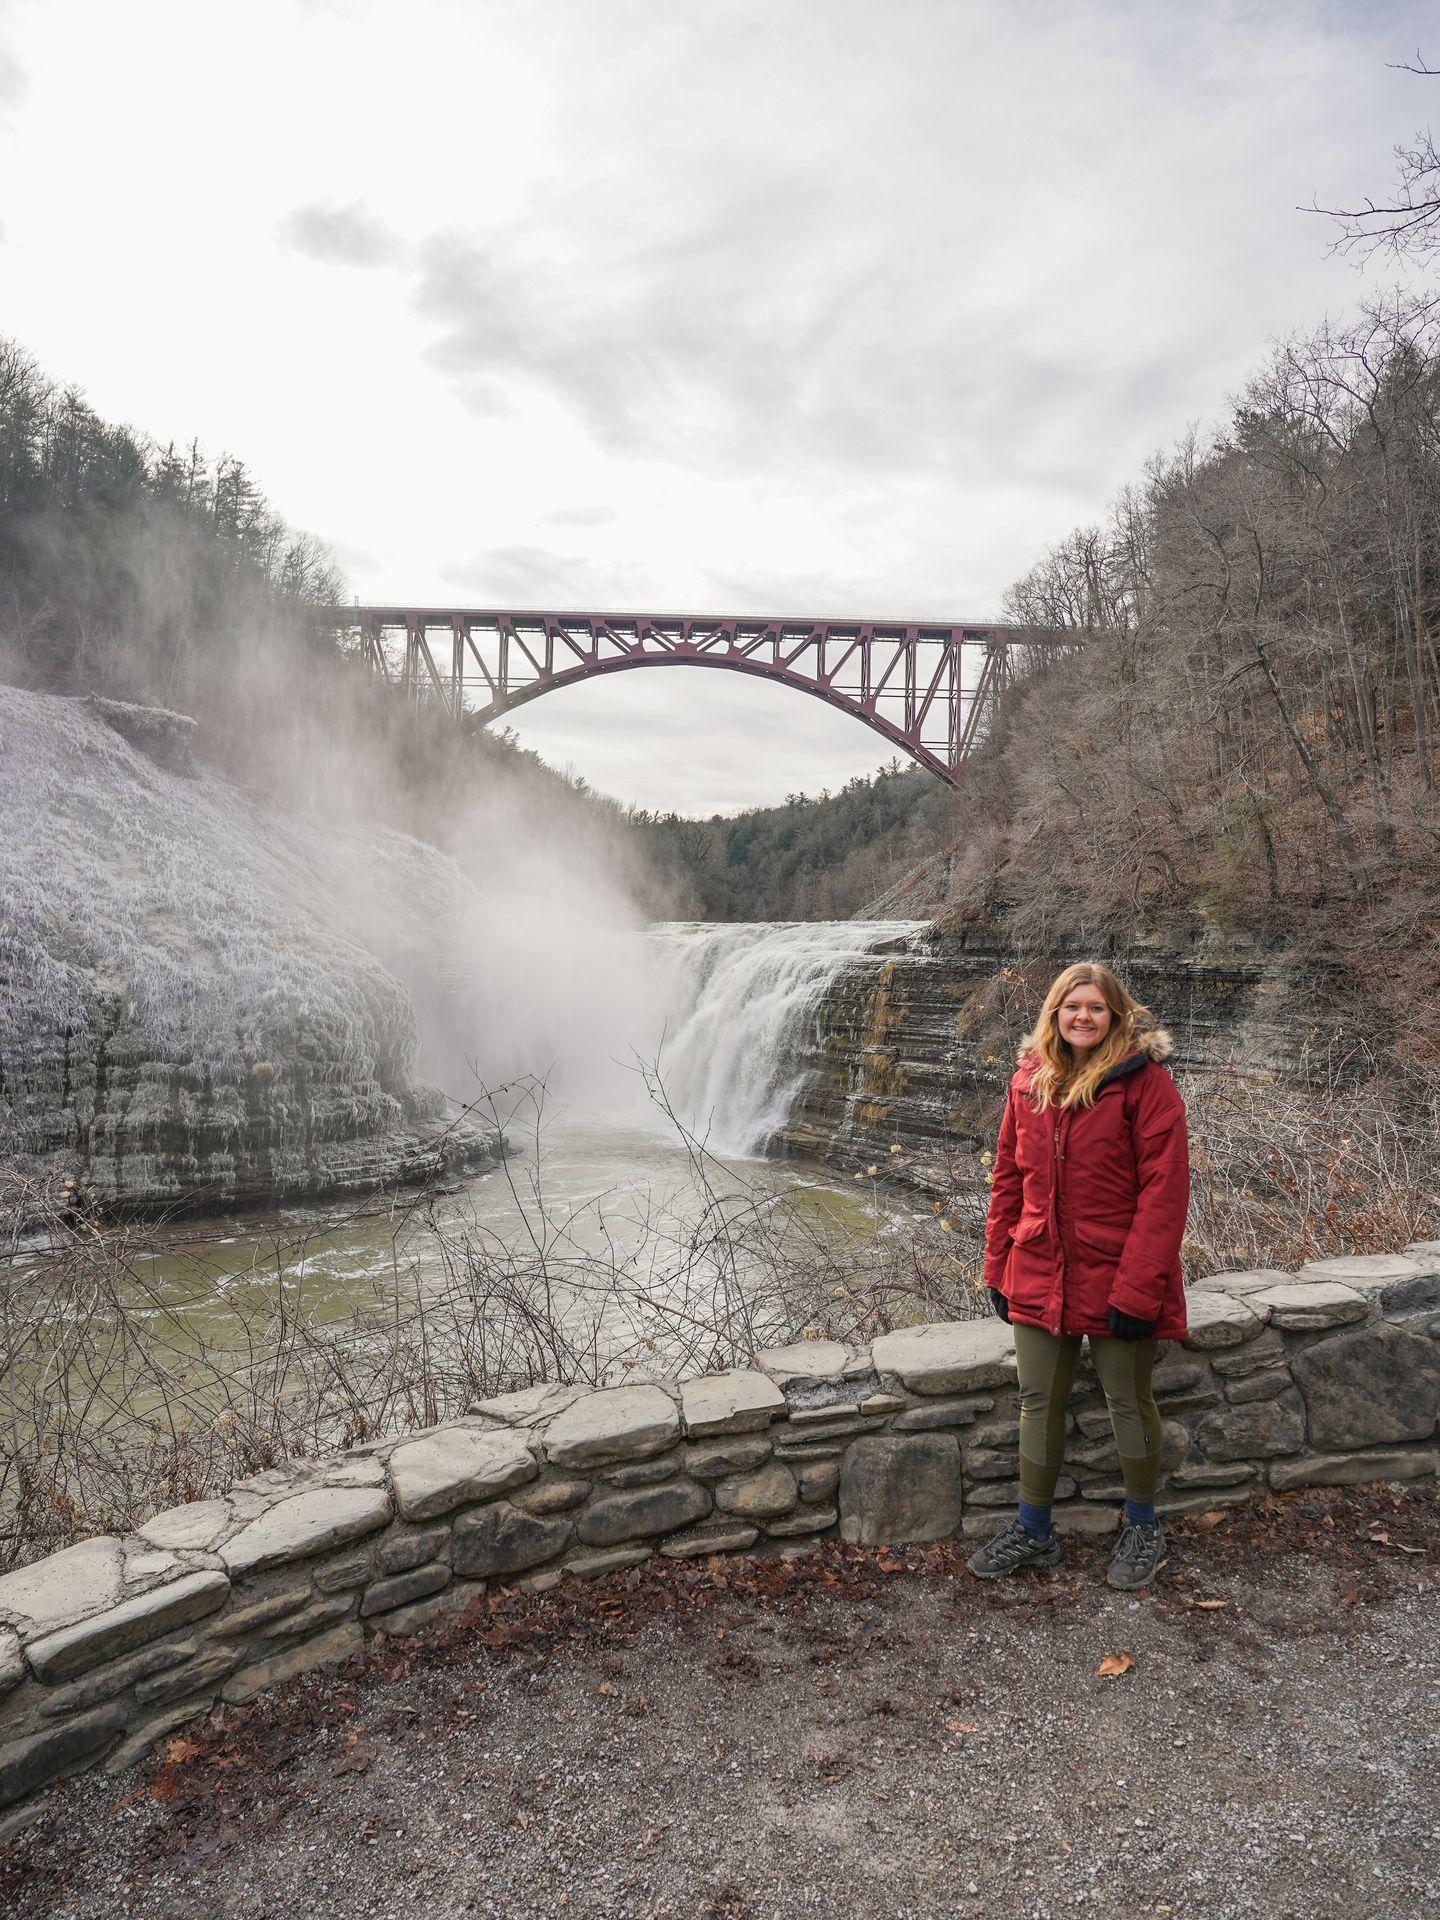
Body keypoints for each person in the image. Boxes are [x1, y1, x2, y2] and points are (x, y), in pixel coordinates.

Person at [966, 962, 1189, 1590]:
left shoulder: (1146, 1087)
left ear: (1115, 1015)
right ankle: (1034, 1530)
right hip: (1038, 1265)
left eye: (1095, 1007)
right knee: (1038, 1401)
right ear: (1055, 1014)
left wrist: (1139, 1287)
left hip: (1121, 1270)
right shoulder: (1029, 1081)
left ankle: (1143, 1525)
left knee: (1127, 1399)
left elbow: (1164, 1194)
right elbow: (1008, 1177)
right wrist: (997, 1265)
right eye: (1072, 1006)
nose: (1082, 1017)